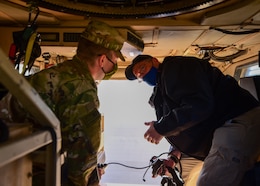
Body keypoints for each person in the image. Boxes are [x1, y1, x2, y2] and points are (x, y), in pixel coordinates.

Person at [0, 20, 125, 186]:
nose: (114, 66)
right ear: (102, 60)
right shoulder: (81, 89)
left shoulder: (57, 73)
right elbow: (83, 154)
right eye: (114, 61)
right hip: (24, 169)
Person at [125, 54, 260, 186]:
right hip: (227, 124)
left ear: (154, 60)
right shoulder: (164, 86)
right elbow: (186, 122)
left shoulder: (175, 68)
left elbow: (198, 105)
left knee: (210, 182)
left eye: (142, 68)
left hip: (237, 118)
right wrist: (173, 156)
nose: (142, 74)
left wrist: (161, 128)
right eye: (138, 75)